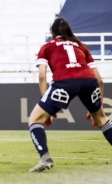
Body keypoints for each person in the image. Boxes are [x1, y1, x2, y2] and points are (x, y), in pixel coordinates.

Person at [28, 18, 112, 172]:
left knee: (35, 119)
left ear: (53, 33)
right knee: (102, 119)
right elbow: (99, 79)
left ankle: (45, 158)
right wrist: (97, 105)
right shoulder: (81, 47)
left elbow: (41, 76)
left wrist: (46, 106)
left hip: (65, 82)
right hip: (89, 82)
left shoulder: (47, 47)